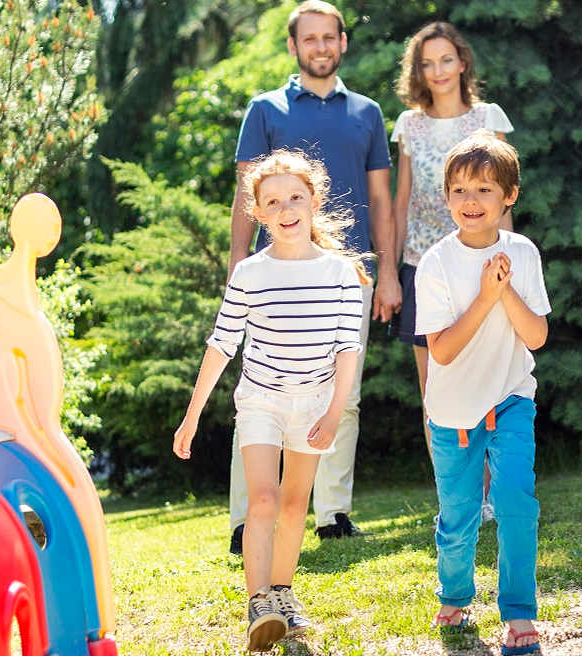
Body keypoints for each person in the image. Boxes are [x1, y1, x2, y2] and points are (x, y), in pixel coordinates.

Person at [173, 150, 369, 651]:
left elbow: (349, 349)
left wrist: (332, 413)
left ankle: (283, 594)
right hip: (260, 400)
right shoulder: (250, 274)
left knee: (293, 503)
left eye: (296, 197)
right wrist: (191, 418)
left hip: (315, 403)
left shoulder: (342, 274)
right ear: (258, 212)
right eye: (274, 201)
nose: (286, 208)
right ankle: (259, 603)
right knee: (261, 500)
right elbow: (221, 344)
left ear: (314, 201)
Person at [226, 0, 393, 554]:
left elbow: (380, 200)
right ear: (295, 47)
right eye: (310, 39)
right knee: (259, 392)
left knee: (341, 395)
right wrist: (236, 270)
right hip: (274, 278)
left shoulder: (368, 113)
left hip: (348, 273)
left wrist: (386, 271)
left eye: (330, 38)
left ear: (343, 43)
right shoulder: (264, 109)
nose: (320, 46)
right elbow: (244, 200)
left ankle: (333, 512)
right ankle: (247, 519)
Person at [415, 133, 548, 655]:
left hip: (512, 398)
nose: (471, 202)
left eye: (485, 189)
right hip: (452, 413)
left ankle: (519, 614)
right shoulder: (436, 264)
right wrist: (486, 294)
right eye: (460, 190)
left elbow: (535, 336)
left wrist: (505, 290)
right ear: (446, 198)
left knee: (516, 501)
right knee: (460, 514)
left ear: (509, 195)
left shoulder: (522, 253)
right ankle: (455, 594)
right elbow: (442, 352)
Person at [390, 22, 514, 523]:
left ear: (462, 62)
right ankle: (455, 498)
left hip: (483, 266)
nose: (437, 71)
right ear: (417, 71)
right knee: (436, 391)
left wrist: (511, 261)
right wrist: (389, 275)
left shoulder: (488, 118)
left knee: (488, 382)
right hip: (424, 266)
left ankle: (488, 496)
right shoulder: (408, 126)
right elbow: (401, 203)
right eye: (427, 62)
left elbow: (504, 196)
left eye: (446, 59)